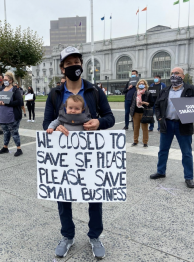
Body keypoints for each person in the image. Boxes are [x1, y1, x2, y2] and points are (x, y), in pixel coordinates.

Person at [43, 46, 115, 259]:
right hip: (64, 154)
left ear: (81, 66)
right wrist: (54, 128)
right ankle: (67, 235)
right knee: (63, 194)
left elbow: (110, 117)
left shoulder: (94, 91)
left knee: (95, 194)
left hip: (90, 152)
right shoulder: (55, 94)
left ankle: (95, 236)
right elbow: (46, 123)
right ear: (62, 68)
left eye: (77, 62)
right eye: (69, 63)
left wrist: (98, 122)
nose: (74, 66)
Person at [150, 67, 194, 189]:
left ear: (183, 75)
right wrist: (160, 119)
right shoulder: (165, 90)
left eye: (177, 73)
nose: (174, 75)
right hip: (167, 124)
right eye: (172, 73)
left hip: (183, 125)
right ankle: (161, 171)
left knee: (186, 152)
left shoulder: (191, 90)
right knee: (163, 150)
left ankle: (189, 177)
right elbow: (157, 106)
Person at [0, 71, 23, 157]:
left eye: (6, 79)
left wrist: (7, 103)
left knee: (14, 132)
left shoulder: (15, 90)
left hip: (12, 116)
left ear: (11, 80)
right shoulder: (1, 89)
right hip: (2, 116)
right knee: (5, 132)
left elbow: (19, 102)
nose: (4, 81)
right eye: (4, 79)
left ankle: (19, 149)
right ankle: (5, 147)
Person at [130, 79, 153, 147]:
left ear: (145, 85)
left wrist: (144, 103)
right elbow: (132, 102)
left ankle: (145, 142)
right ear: (137, 85)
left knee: (145, 128)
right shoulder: (135, 93)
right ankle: (135, 141)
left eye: (143, 83)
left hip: (144, 113)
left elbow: (152, 103)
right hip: (136, 113)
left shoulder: (148, 93)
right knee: (136, 127)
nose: (141, 85)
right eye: (140, 84)